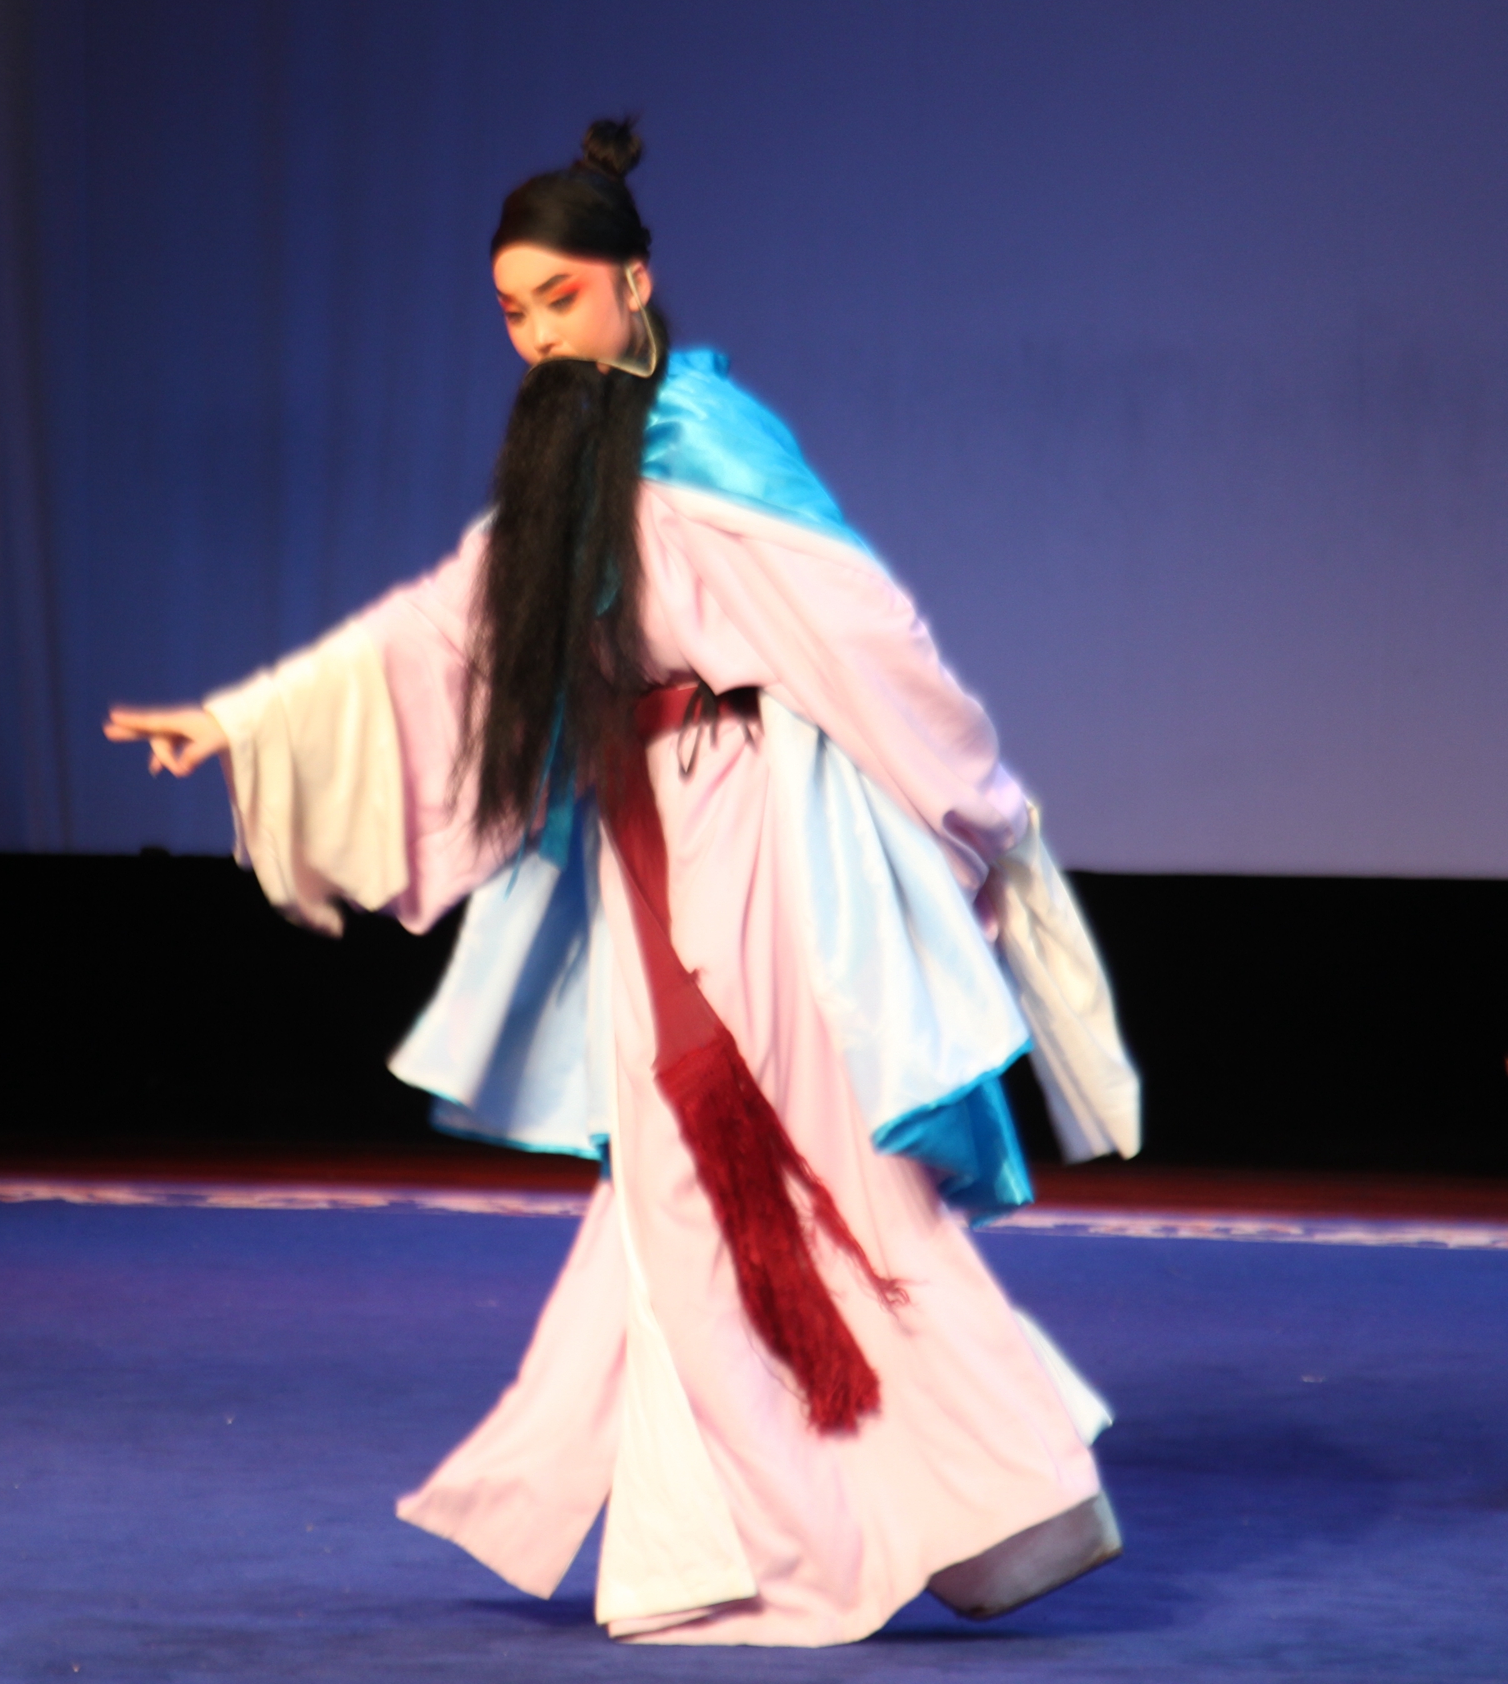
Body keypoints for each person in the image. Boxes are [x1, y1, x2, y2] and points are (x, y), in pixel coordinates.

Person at [104, 118, 1141, 1647]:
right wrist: (247, 720)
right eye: (513, 311)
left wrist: (978, 806)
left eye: (561, 298)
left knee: (818, 1170)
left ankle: (986, 1506)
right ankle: (785, 1533)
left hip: (760, 836)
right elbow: (439, 629)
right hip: (645, 838)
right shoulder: (568, 471)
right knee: (670, 1190)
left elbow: (869, 634)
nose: (537, 334)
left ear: (635, 283)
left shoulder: (709, 441)